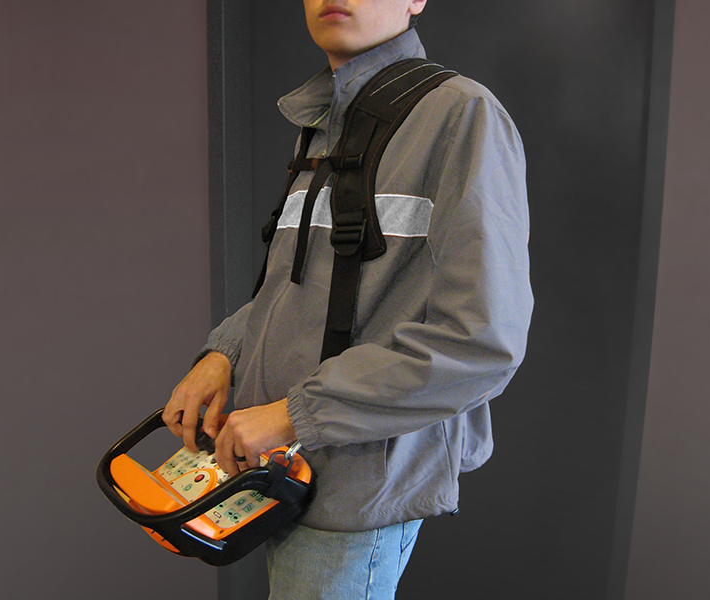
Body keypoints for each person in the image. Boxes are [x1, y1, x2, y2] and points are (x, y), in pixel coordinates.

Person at [163, 1, 533, 597]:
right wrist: (222, 354)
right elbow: (294, 290)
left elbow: (481, 339)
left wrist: (290, 415)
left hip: (355, 488)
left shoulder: (461, 116)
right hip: (280, 475)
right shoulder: (326, 119)